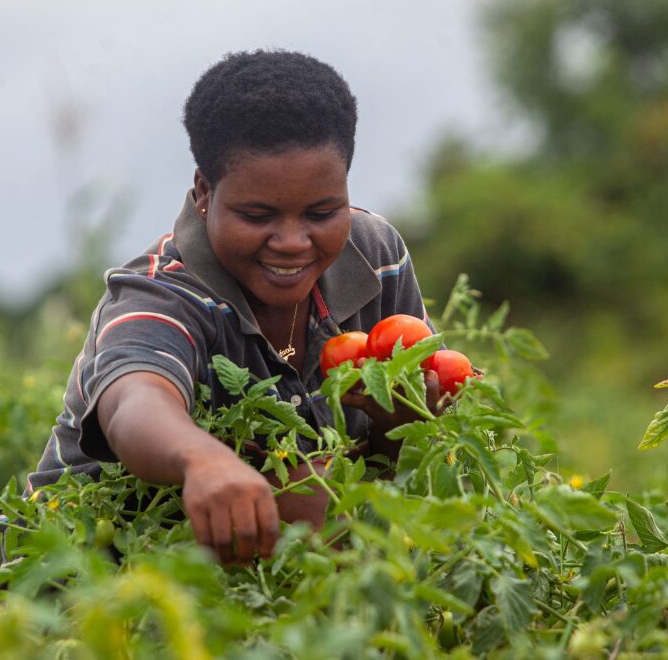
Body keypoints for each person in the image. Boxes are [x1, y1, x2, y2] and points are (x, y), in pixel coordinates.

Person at [25, 50, 440, 564]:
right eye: (257, 214)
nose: (292, 241)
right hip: (83, 570)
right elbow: (134, 401)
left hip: (265, 572)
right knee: (313, 496)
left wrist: (399, 418)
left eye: (322, 211)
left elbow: (397, 460)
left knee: (336, 496)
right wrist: (202, 459)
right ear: (204, 192)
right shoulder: (163, 292)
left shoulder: (375, 258)